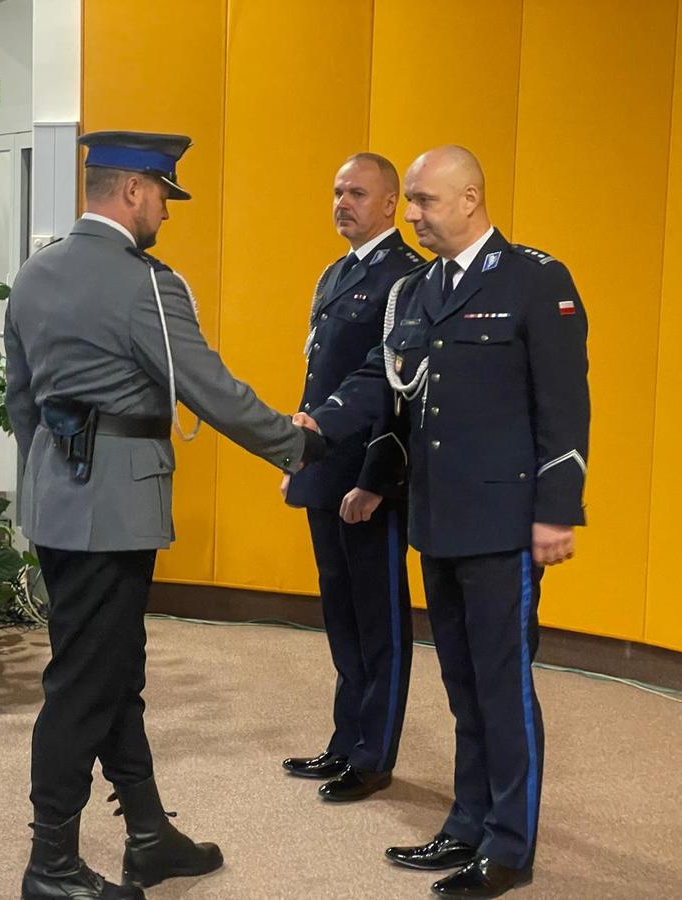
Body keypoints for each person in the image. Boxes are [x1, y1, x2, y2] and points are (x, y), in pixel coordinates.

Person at [4, 130, 324, 900]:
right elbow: (210, 390)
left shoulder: (34, 273)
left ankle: (148, 836)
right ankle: (50, 867)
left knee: (113, 669)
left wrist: (46, 483)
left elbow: (20, 401)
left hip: (56, 499)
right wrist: (296, 444)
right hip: (116, 508)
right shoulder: (146, 285)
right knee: (84, 684)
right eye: (163, 197)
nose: (166, 214)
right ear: (134, 192)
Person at [300, 145, 590, 898]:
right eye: (412, 202)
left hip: (503, 522)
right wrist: (319, 424)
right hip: (437, 516)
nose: (415, 216)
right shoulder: (419, 289)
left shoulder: (534, 280)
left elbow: (564, 407)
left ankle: (509, 847)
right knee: (462, 683)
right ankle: (466, 824)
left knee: (502, 686)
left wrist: (557, 513)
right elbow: (385, 386)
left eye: (425, 201)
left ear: (470, 198)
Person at [280, 153, 420, 802]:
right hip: (325, 469)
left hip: (368, 478)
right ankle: (345, 739)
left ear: (390, 203)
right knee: (340, 611)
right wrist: (299, 461)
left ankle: (372, 755)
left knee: (377, 618)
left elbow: (395, 395)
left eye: (357, 193)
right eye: (338, 192)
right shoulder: (336, 273)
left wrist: (373, 480)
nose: (343, 203)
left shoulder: (406, 278)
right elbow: (317, 379)